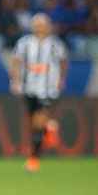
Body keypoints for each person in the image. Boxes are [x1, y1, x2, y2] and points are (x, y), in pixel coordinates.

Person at [10, 13, 68, 172]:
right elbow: (16, 61)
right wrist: (15, 81)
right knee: (33, 123)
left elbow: (63, 62)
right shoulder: (24, 43)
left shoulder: (56, 45)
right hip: (28, 87)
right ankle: (49, 128)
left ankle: (34, 159)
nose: (40, 28)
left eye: (43, 25)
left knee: (38, 121)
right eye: (37, 25)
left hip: (48, 88)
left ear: (48, 27)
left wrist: (61, 79)